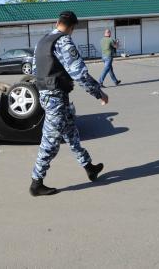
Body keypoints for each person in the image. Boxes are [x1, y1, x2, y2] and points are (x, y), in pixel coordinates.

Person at [30, 11, 109, 196]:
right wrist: (99, 93)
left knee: (71, 133)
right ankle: (36, 183)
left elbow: (36, 69)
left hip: (48, 94)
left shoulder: (43, 41)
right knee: (50, 143)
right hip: (55, 97)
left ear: (57, 22)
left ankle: (89, 167)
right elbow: (79, 74)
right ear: (72, 27)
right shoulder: (63, 41)